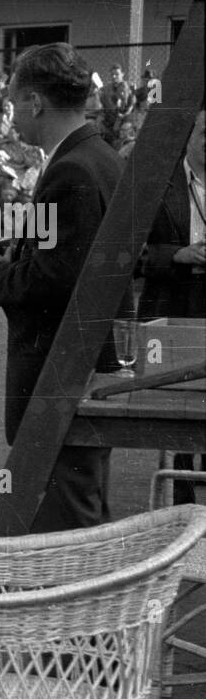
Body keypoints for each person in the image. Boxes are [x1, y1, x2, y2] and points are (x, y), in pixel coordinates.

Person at [0, 42, 126, 532]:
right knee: (80, 496)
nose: (11, 115)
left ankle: (78, 606)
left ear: (35, 102)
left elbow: (59, 277)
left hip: (58, 367)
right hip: (83, 360)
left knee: (65, 506)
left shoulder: (73, 168)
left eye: (14, 102)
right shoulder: (94, 156)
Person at [135, 107, 206, 503]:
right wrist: (177, 254)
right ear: (189, 135)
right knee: (173, 405)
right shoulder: (159, 183)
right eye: (205, 132)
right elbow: (132, 253)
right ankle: (180, 498)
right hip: (171, 305)